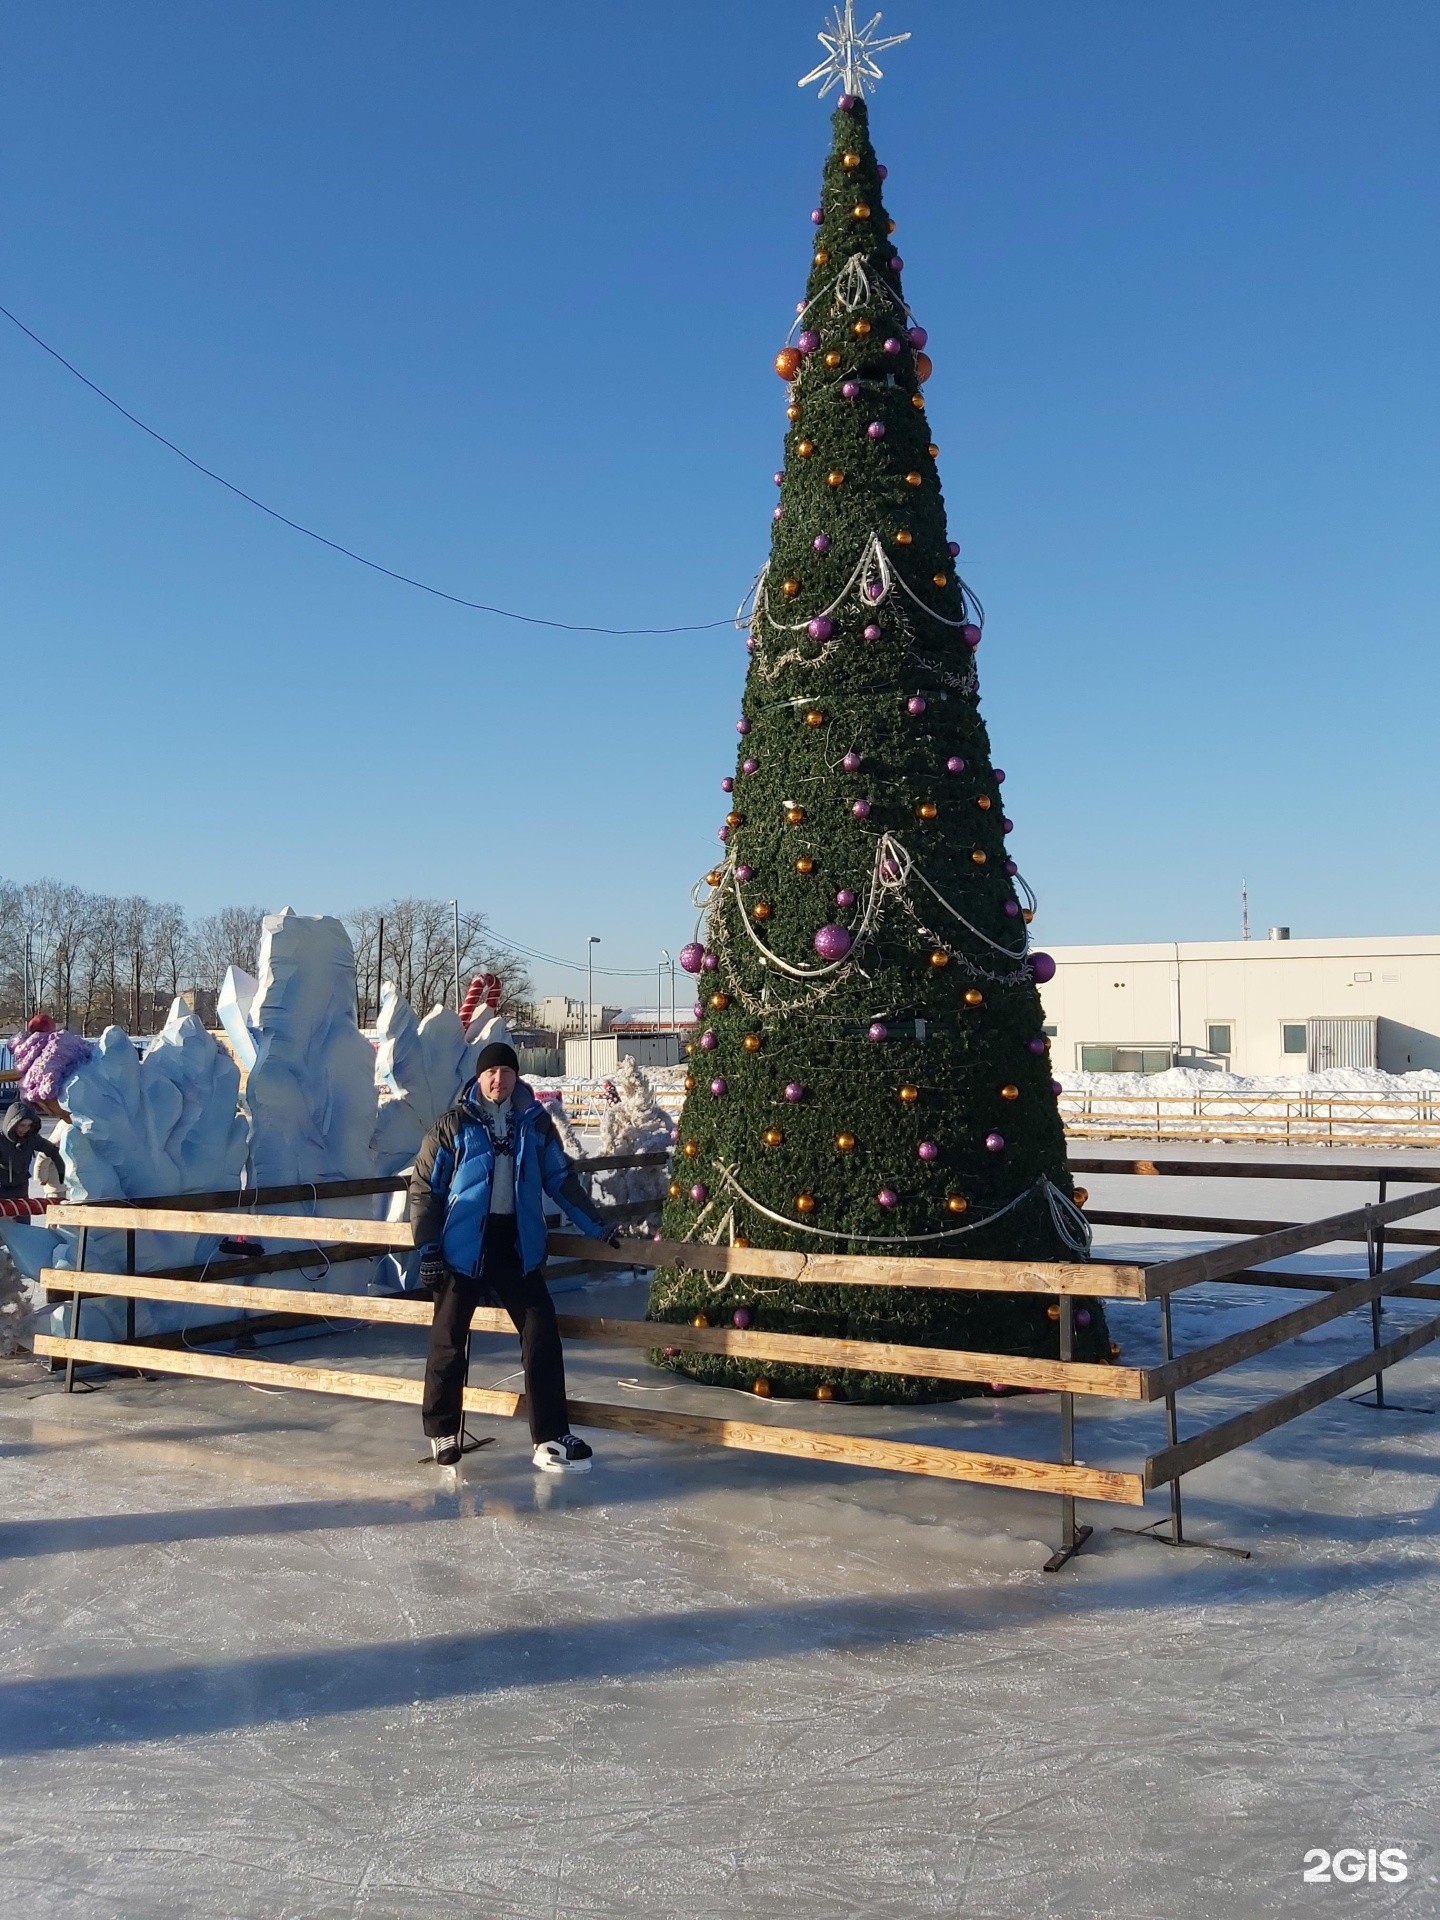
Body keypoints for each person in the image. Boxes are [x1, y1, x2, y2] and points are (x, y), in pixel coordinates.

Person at [409, 1041, 618, 1471]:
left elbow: (561, 1182)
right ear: (479, 1077)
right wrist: (429, 1249)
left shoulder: (535, 1124)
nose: (498, 1080)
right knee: (448, 1340)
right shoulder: (454, 1125)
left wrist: (598, 1227)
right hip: (462, 1250)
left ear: (516, 1077)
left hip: (515, 1246)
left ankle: (550, 1435)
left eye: (506, 1072)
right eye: (491, 1073)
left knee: (541, 1334)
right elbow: (425, 1192)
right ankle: (442, 1430)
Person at [0, 1099, 64, 1204]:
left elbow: (52, 1150)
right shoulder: (2, 1141)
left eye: (28, 1125)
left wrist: (61, 1170)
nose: (25, 1129)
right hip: (2, 1188)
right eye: (22, 1125)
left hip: (21, 1189)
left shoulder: (31, 1139)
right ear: (12, 1124)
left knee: (22, 1217)